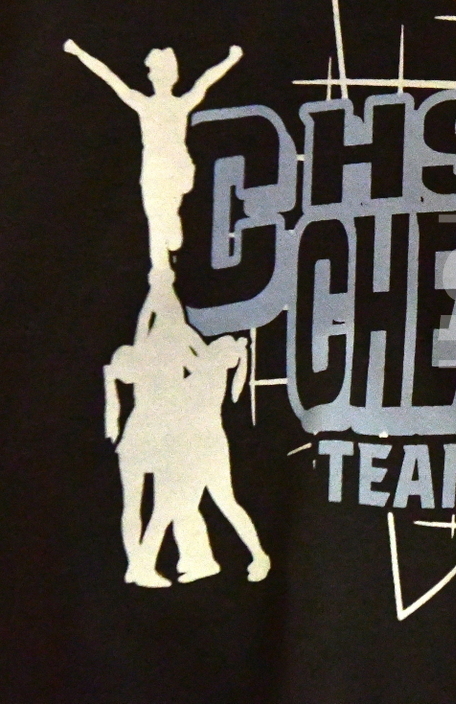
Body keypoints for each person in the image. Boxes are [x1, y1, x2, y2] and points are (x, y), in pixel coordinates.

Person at [105, 283, 270, 585]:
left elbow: (177, 335)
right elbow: (180, 336)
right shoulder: (207, 366)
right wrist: (164, 299)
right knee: (203, 505)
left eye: (215, 345)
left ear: (219, 355)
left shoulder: (207, 369)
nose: (209, 344)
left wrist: (161, 299)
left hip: (199, 448)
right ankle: (212, 560)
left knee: (176, 507)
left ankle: (145, 566)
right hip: (199, 446)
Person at [63, 39, 242, 270]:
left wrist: (79, 52)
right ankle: (161, 269)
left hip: (169, 169)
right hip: (161, 170)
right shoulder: (171, 103)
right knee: (159, 222)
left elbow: (108, 76)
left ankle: (166, 250)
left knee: (159, 222)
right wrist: (231, 58)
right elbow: (206, 79)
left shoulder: (155, 104)